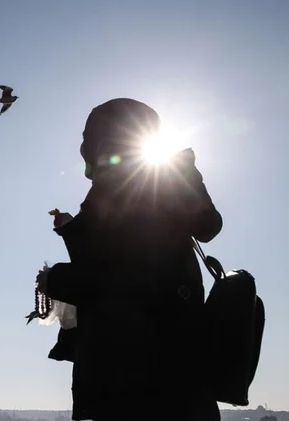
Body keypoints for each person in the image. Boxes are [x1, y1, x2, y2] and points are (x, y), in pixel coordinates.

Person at [36, 98, 223, 421]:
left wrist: (53, 280)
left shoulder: (119, 190)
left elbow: (118, 280)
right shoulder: (165, 183)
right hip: (182, 377)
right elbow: (138, 258)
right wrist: (73, 230)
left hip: (131, 381)